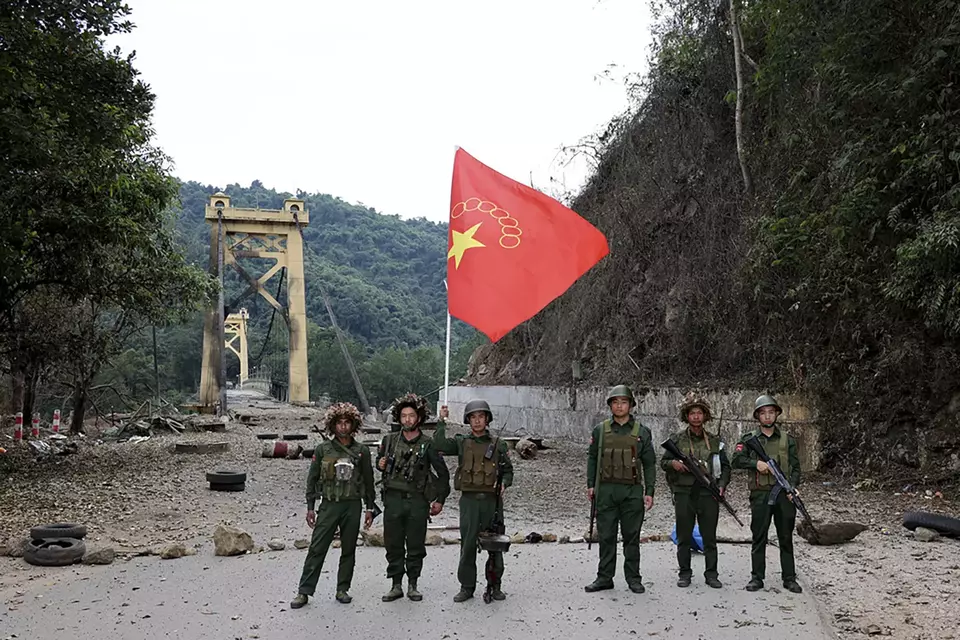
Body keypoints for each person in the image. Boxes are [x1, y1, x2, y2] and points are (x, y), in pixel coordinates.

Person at [290, 402, 376, 609]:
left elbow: (368, 481)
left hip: (352, 506)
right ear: (333, 425)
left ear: (353, 425)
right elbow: (312, 480)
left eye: (347, 423)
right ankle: (304, 591)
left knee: (348, 550)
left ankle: (342, 589)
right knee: (317, 548)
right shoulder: (322, 449)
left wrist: (370, 508)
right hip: (329, 505)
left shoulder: (361, 451)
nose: (343, 427)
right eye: (340, 423)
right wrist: (310, 507)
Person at [435, 400, 514, 603]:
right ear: (468, 420)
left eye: (481, 416)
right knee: (468, 545)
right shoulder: (462, 442)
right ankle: (467, 586)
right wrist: (441, 420)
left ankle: (495, 586)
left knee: (495, 546)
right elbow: (439, 445)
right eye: (473, 417)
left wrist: (504, 483)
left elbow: (508, 471)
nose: (477, 421)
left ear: (487, 419)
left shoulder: (498, 444)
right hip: (469, 502)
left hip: (492, 502)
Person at [376, 392, 451, 602]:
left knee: (416, 544)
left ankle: (413, 584)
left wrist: (440, 500)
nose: (407, 419)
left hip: (417, 501)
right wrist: (379, 463)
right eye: (403, 416)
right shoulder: (389, 440)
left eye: (411, 415)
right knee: (393, 544)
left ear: (418, 418)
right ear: (398, 418)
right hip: (393, 500)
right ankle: (396, 584)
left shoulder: (428, 444)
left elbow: (443, 474)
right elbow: (380, 462)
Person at [584, 384, 656, 594]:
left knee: (631, 536)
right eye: (615, 402)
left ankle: (633, 578)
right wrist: (591, 485)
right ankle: (604, 577)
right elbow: (592, 458)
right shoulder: (600, 430)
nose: (619, 406)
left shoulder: (642, 432)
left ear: (631, 405)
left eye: (623, 402)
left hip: (632, 492)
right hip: (606, 490)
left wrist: (649, 491)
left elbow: (649, 463)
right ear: (610, 406)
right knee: (606, 536)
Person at [730, 394, 804, 593]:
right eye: (763, 413)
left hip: (783, 495)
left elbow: (796, 468)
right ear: (758, 416)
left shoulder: (787, 439)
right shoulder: (749, 439)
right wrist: (756, 464)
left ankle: (789, 577)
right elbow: (735, 460)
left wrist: (793, 487)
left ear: (777, 414)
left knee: (785, 537)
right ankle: (757, 577)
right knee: (759, 535)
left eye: (771, 412)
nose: (768, 417)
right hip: (761, 495)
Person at [660, 392, 731, 588]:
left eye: (700, 413)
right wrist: (674, 463)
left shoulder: (716, 441)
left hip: (708, 493)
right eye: (692, 413)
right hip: (684, 493)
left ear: (705, 416)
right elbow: (663, 462)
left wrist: (722, 486)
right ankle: (684, 573)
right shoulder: (677, 440)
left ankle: (711, 574)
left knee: (709, 537)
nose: (696, 417)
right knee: (684, 535)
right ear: (687, 416)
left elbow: (725, 467)